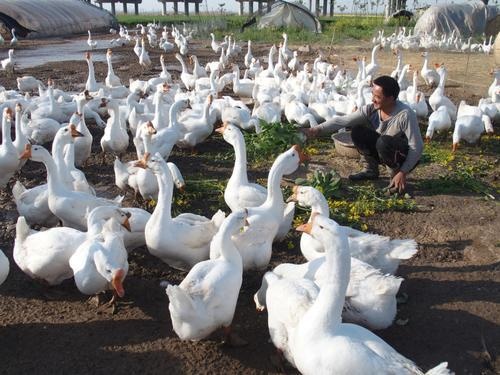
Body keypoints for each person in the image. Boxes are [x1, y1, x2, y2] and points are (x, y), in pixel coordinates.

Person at [305, 75, 423, 194]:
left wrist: (402, 172)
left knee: (384, 142)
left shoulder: (405, 115)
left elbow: (416, 147)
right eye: (373, 94)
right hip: (383, 149)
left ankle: (395, 178)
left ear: (391, 98)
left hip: (402, 155)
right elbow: (343, 121)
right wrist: (317, 129)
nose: (372, 99)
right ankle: (370, 170)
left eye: (377, 97)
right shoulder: (371, 109)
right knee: (357, 130)